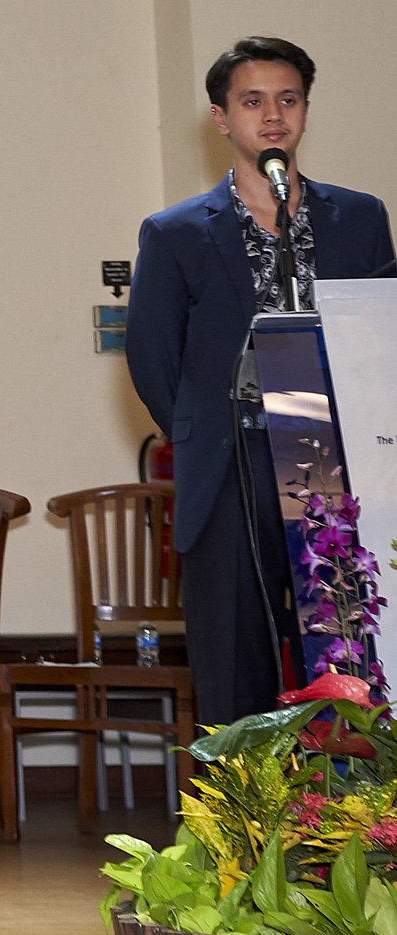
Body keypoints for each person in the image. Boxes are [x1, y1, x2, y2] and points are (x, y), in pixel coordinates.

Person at [127, 36, 394, 726]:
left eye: (288, 99)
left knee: (344, 655)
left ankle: (349, 792)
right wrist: (211, 431)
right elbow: (154, 360)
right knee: (233, 660)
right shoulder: (175, 233)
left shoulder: (359, 218)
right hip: (230, 463)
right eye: (252, 101)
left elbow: (378, 336)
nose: (273, 115)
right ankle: (240, 796)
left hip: (335, 461)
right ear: (221, 118)